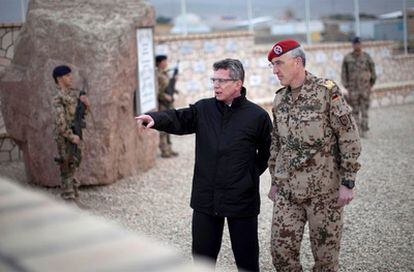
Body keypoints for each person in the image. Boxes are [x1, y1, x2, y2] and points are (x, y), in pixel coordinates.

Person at [136, 58, 272, 272]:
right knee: (202, 262)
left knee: (246, 262)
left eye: (222, 80)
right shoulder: (204, 109)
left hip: (242, 199)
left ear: (238, 84)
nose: (216, 85)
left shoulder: (258, 117)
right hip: (206, 199)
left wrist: (248, 175)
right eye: (214, 79)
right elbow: (179, 118)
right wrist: (155, 118)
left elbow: (267, 154)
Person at [266, 39, 362, 271]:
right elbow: (277, 144)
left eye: (279, 63)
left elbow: (348, 136)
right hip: (288, 191)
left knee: (326, 261)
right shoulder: (280, 99)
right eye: (272, 65)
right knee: (280, 254)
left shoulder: (326, 92)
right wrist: (274, 181)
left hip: (324, 193)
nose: (275, 70)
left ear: (297, 62)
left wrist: (348, 182)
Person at [52, 65, 90, 201]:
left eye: (70, 75)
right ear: (59, 78)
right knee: (67, 165)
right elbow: (59, 122)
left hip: (76, 133)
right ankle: (68, 197)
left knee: (75, 162)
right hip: (65, 137)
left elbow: (81, 114)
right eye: (67, 76)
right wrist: (70, 136)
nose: (71, 77)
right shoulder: (58, 98)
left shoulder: (73, 94)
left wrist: (86, 105)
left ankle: (74, 193)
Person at [341, 37, 376, 137]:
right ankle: (357, 131)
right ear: (353, 45)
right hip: (353, 90)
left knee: (365, 110)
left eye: (359, 44)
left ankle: (364, 130)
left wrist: (370, 84)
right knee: (355, 111)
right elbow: (344, 74)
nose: (357, 46)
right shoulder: (347, 58)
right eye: (355, 44)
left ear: (361, 45)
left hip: (365, 89)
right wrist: (347, 86)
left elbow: (373, 72)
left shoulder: (367, 57)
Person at [155, 55, 178, 158]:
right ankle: (164, 150)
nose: (166, 63)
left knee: (169, 126)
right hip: (162, 104)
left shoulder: (165, 73)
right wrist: (164, 96)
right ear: (159, 63)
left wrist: (175, 83)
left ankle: (169, 148)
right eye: (164, 61)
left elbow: (168, 87)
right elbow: (157, 91)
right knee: (163, 127)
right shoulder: (157, 75)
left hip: (169, 103)